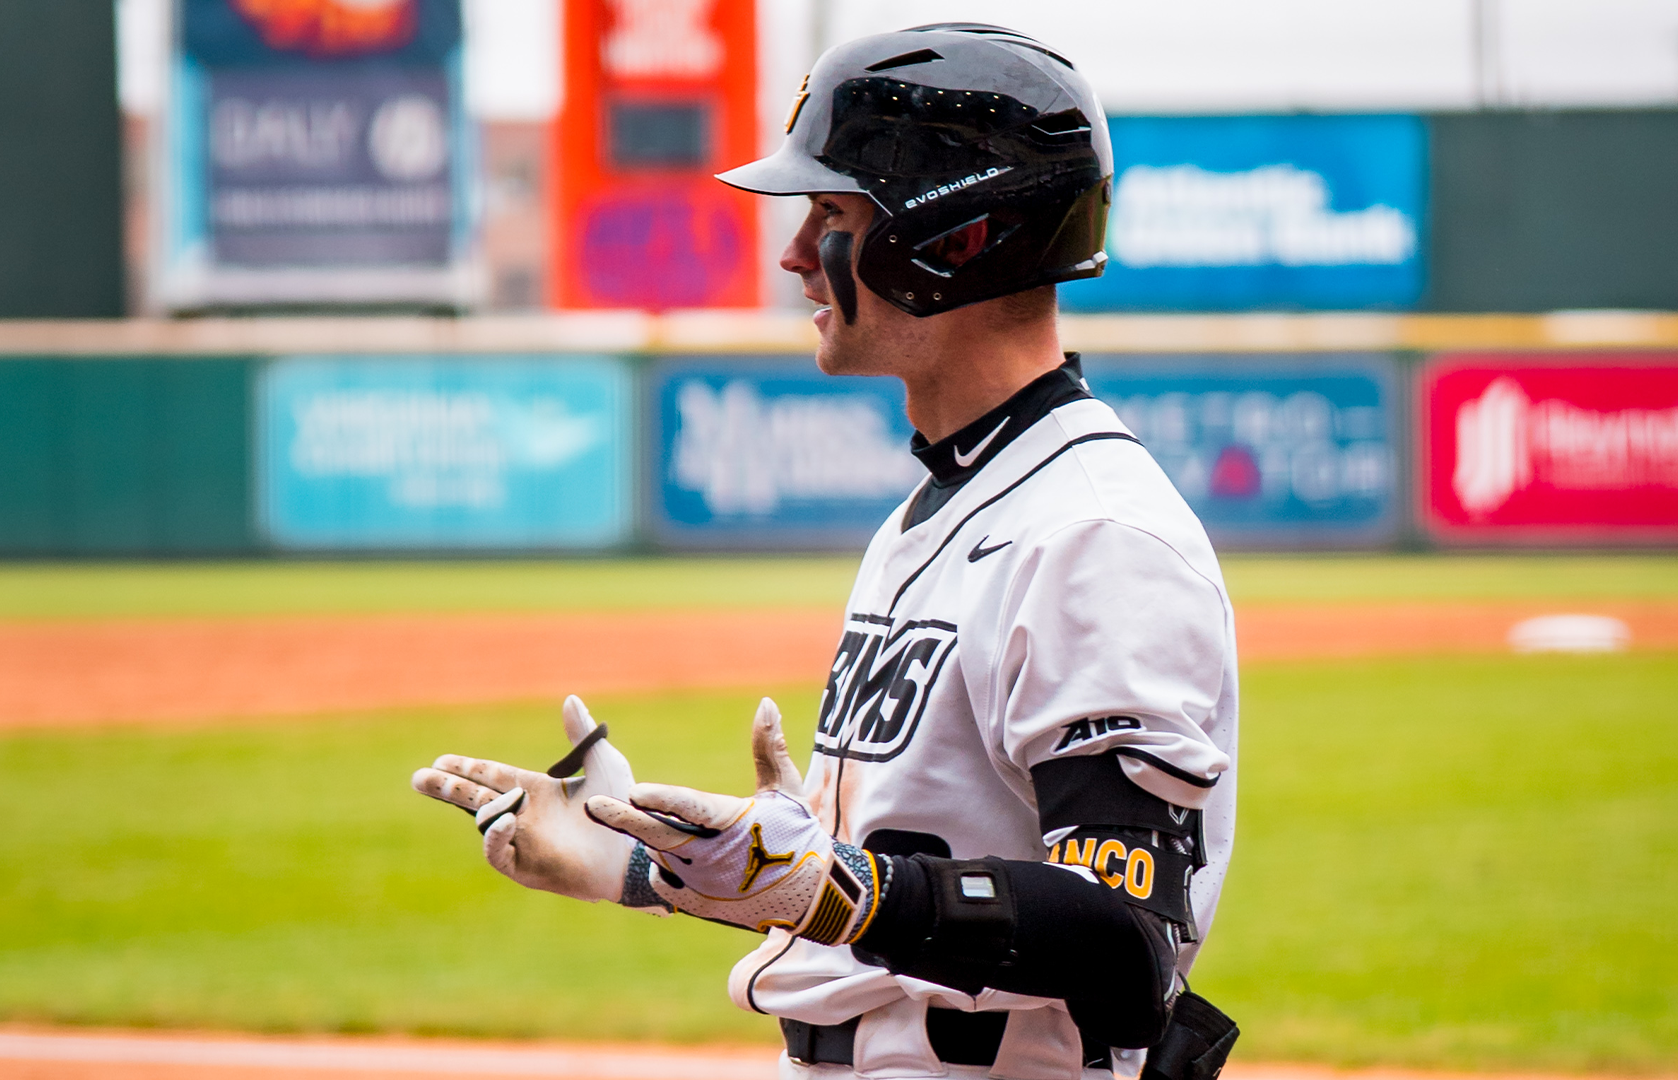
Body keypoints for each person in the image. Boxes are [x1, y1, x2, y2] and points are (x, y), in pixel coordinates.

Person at [412, 23, 1239, 1080]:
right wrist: (653, 865)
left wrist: (830, 887)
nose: (796, 253)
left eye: (832, 213)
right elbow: (892, 874)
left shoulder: (1093, 535)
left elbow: (1128, 942)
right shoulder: (936, 515)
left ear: (956, 238)